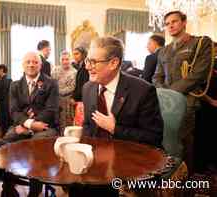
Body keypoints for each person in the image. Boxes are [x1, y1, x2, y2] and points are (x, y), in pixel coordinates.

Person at [153, 11, 213, 173]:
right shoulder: (164, 51)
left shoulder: (199, 43)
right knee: (165, 142)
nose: (170, 26)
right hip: (164, 104)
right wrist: (163, 94)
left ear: (184, 22)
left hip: (187, 101)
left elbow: (197, 75)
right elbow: (157, 76)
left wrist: (170, 94)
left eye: (174, 21)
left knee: (182, 143)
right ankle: (167, 176)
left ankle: (184, 180)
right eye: (167, 23)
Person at [83, 36, 163, 148]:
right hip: (96, 154)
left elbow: (154, 137)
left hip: (130, 155)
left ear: (113, 63)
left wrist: (114, 128)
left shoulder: (143, 91)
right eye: (87, 60)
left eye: (93, 62)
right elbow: (88, 126)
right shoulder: (88, 88)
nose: (87, 67)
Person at [3, 51, 59, 142]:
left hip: (45, 125)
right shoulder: (14, 85)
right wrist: (29, 124)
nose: (31, 65)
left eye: (35, 62)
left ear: (40, 65)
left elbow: (51, 110)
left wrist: (31, 127)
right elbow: (14, 111)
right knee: (9, 137)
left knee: (36, 141)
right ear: (23, 65)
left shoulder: (52, 83)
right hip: (22, 124)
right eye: (28, 62)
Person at [51, 50, 77, 133]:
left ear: (70, 60)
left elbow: (72, 87)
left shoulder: (75, 72)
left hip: (68, 101)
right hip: (56, 100)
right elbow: (52, 83)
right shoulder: (55, 70)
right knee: (56, 122)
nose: (65, 61)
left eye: (67, 59)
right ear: (60, 60)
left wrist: (58, 91)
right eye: (63, 59)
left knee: (68, 124)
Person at [71, 47, 89, 125]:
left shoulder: (86, 66)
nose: (75, 56)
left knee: (81, 124)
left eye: (77, 54)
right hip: (80, 99)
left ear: (83, 54)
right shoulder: (80, 65)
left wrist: (75, 98)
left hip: (83, 100)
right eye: (74, 54)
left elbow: (84, 85)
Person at [0, 64, 12, 136]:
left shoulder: (8, 80)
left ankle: (7, 134)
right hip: (0, 102)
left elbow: (4, 92)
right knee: (2, 119)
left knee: (6, 119)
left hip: (6, 103)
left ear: (1, 70)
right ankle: (3, 133)